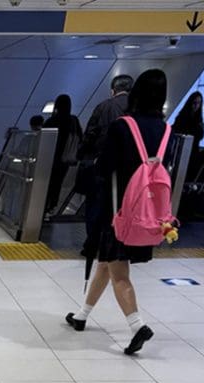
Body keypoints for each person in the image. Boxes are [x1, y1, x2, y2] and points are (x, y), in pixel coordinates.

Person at [65, 69, 170, 357]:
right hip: (148, 212)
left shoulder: (124, 126)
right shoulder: (165, 129)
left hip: (118, 209)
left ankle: (138, 326)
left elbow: (103, 167)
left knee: (118, 271)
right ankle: (82, 316)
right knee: (106, 262)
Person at [77, 75, 133, 260]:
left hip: (101, 166)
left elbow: (90, 135)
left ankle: (92, 244)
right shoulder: (137, 110)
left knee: (96, 206)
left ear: (113, 90)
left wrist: (82, 155)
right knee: (121, 207)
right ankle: (117, 243)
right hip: (128, 170)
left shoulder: (104, 107)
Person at [42, 94, 83, 216]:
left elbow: (43, 139)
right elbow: (80, 137)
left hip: (50, 158)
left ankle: (43, 207)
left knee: (46, 183)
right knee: (57, 183)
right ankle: (52, 207)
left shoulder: (51, 121)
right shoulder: (73, 120)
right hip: (65, 159)